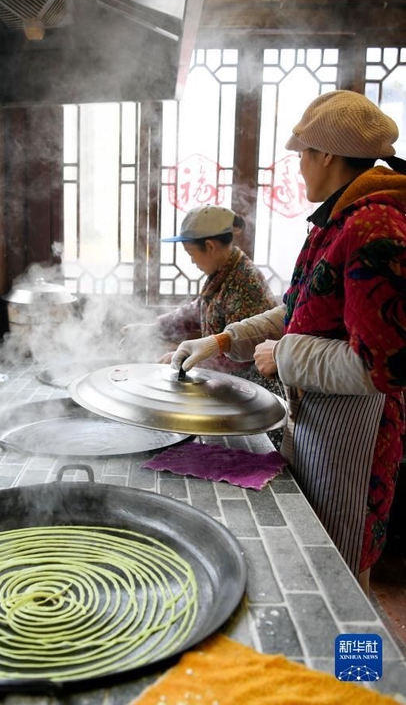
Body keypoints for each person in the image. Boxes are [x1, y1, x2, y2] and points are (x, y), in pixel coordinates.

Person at [169, 90, 406, 592]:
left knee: (341, 584)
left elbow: (382, 366)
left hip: (356, 436)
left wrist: (286, 353)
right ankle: (337, 668)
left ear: (326, 155)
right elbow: (299, 309)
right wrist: (220, 340)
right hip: (321, 422)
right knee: (320, 564)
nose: (299, 169)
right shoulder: (341, 218)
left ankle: (351, 672)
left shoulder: (374, 224)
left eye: (302, 156)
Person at [122, 204, 283, 444]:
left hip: (251, 403)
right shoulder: (224, 272)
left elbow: (236, 356)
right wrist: (152, 329)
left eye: (191, 253)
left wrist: (184, 358)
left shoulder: (245, 281)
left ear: (210, 246)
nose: (192, 261)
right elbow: (196, 310)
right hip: (229, 393)